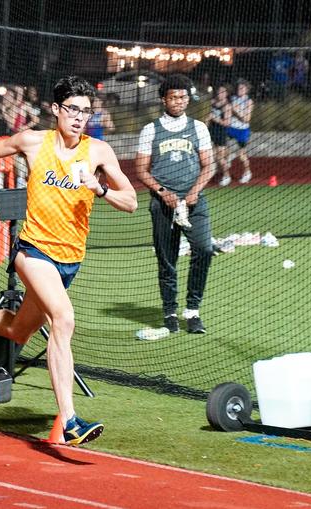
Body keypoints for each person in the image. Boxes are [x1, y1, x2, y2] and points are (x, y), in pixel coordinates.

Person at [0, 76, 138, 446]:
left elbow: (130, 201)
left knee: (19, 331)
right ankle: (69, 420)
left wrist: (99, 188)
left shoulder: (98, 152)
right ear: (56, 110)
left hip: (70, 261)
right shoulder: (34, 142)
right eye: (73, 110)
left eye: (86, 111)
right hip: (33, 251)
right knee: (64, 320)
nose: (80, 117)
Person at [134, 74, 215, 335]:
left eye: (183, 97)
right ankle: (170, 312)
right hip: (163, 205)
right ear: (163, 100)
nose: (179, 101)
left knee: (204, 249)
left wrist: (194, 192)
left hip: (194, 203)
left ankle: (193, 311)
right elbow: (141, 170)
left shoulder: (199, 127)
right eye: (174, 97)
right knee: (166, 260)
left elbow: (208, 166)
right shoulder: (151, 130)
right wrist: (161, 191)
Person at [226, 79, 253, 184]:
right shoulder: (232, 99)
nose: (239, 90)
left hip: (242, 130)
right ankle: (227, 162)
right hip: (231, 128)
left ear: (246, 90)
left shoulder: (248, 102)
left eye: (242, 88)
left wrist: (235, 110)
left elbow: (247, 119)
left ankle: (247, 172)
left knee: (242, 154)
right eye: (238, 88)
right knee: (221, 148)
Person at [205, 84, 233, 186]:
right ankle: (209, 176)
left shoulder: (227, 106)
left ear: (226, 94)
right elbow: (208, 116)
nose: (220, 93)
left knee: (219, 157)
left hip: (220, 133)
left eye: (223, 92)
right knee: (208, 156)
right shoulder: (213, 103)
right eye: (219, 91)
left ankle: (227, 176)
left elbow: (227, 123)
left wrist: (215, 118)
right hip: (211, 132)